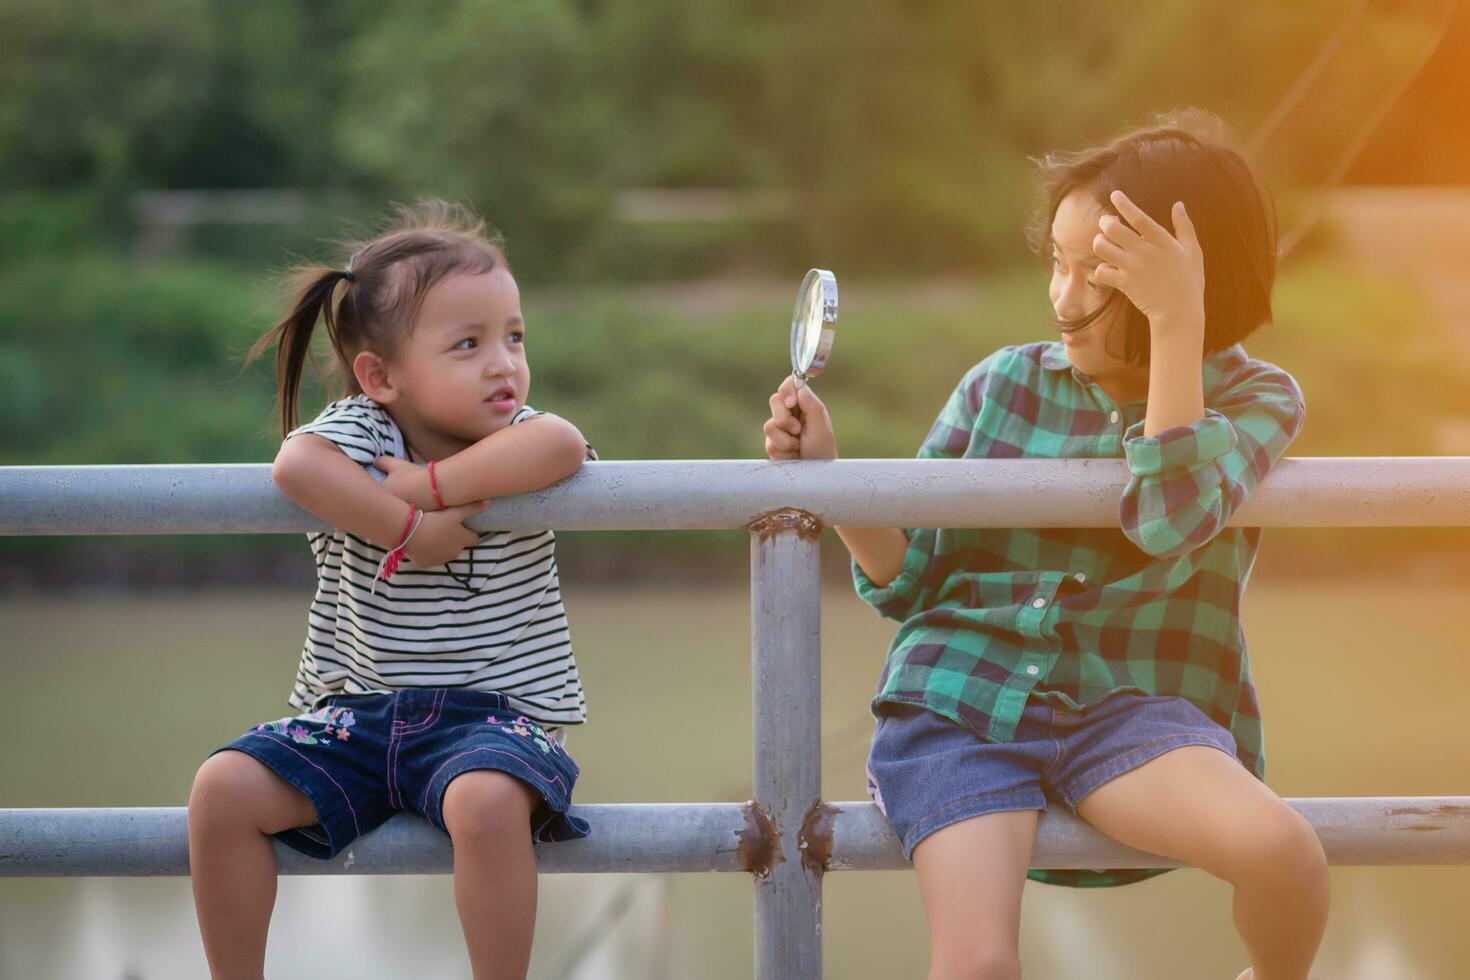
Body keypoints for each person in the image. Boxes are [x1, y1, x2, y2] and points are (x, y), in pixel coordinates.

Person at [762, 111, 1325, 980]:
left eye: (1094, 274)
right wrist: (833, 476)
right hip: (960, 698)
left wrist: (1178, 330)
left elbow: (1167, 518)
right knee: (979, 962)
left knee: (1287, 854)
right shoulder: (1002, 384)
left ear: (1183, 281)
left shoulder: (1259, 398)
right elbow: (911, 576)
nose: (1062, 297)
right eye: (1056, 263)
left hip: (1132, 707)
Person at [188, 201, 593, 980]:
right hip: (356, 715)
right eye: (467, 345)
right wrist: (413, 527)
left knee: (484, 803)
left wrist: (432, 482)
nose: (502, 363)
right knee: (222, 790)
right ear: (381, 377)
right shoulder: (360, 433)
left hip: (496, 720)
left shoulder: (515, 437)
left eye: (514, 337)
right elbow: (295, 467)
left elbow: (565, 444)